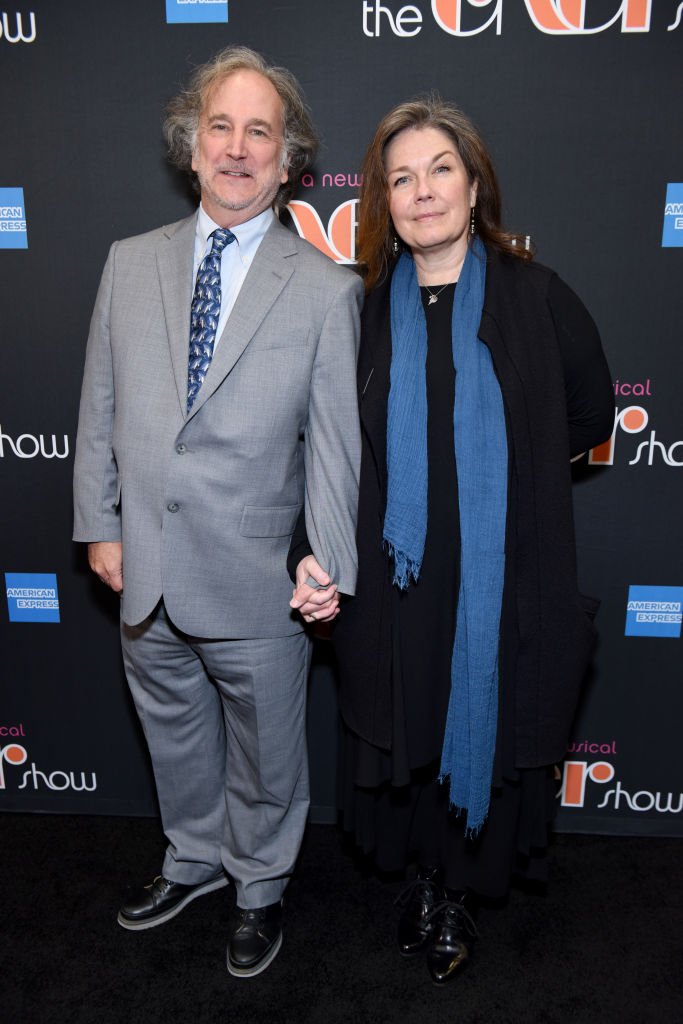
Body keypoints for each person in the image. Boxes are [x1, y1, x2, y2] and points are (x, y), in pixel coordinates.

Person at [290, 95, 614, 985]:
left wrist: (505, 474)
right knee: (413, 727)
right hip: (394, 575)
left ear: (474, 186)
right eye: (401, 177)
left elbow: (588, 412)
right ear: (381, 202)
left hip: (498, 574)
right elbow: (325, 444)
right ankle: (426, 875)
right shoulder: (356, 314)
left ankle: (459, 889)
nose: (422, 190)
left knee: (481, 714)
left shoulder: (534, 297)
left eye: (439, 170)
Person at [72, 46, 362, 979]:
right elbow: (100, 405)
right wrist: (99, 523)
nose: (238, 149)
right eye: (221, 128)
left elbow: (334, 447)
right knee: (172, 729)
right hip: (144, 563)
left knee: (269, 753)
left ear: (288, 162)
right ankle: (193, 859)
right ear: (192, 149)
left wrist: (329, 564)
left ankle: (259, 887)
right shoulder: (129, 262)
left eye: (260, 134)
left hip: (256, 576)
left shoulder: (324, 290)